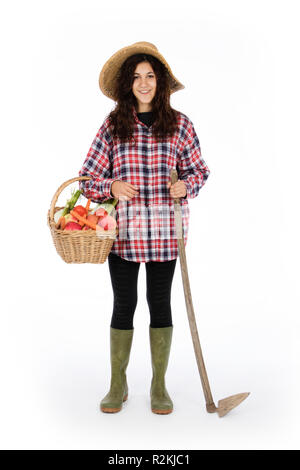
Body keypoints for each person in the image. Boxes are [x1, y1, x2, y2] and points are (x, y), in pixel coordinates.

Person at [78, 41, 210, 414]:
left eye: (150, 75)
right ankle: (117, 384)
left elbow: (200, 171)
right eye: (136, 77)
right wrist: (111, 186)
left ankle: (158, 385)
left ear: (161, 81)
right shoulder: (112, 126)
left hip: (168, 234)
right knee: (124, 304)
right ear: (127, 84)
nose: (144, 82)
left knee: (160, 305)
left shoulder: (181, 125)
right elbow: (87, 177)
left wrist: (187, 185)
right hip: (123, 236)